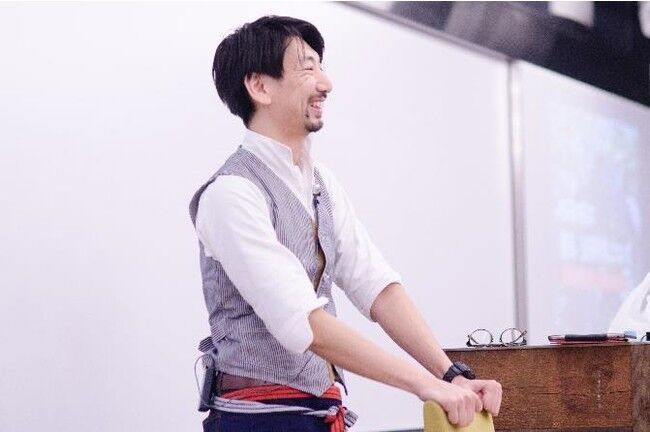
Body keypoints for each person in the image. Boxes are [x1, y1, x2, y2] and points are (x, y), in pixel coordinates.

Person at [189, 15, 502, 432]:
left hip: (318, 415)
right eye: (307, 68)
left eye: (321, 66)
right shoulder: (230, 194)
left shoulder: (322, 183)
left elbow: (376, 286)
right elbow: (304, 323)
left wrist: (450, 374)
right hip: (257, 421)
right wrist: (424, 385)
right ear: (260, 86)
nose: (326, 83)